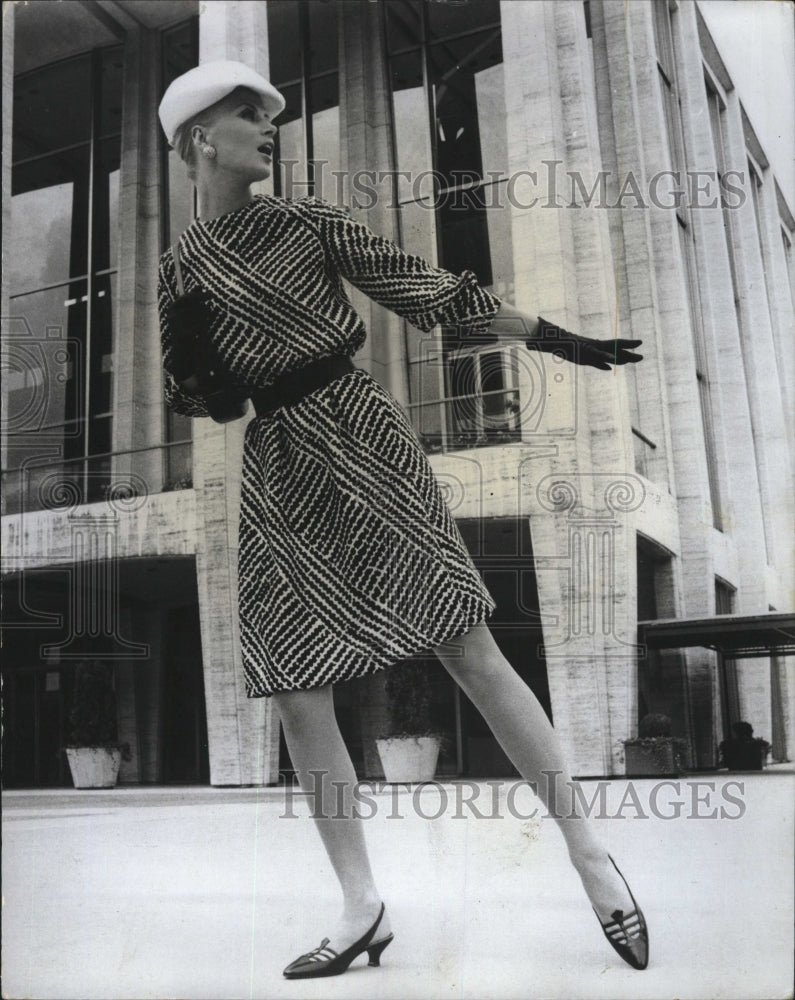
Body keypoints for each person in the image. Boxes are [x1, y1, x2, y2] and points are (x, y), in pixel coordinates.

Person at [157, 60, 648, 981]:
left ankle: (590, 857)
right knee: (296, 687)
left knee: (466, 647)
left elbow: (428, 290)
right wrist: (197, 374)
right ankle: (360, 906)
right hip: (277, 459)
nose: (270, 128)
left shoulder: (305, 220)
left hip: (361, 431)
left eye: (271, 116)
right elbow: (201, 400)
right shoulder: (177, 268)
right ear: (197, 141)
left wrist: (555, 339)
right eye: (247, 116)